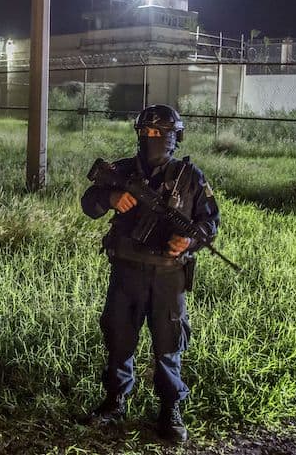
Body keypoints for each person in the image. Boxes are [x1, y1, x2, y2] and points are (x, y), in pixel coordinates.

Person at [80, 104, 220, 443]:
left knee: (169, 344)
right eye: (146, 133)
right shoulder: (123, 171)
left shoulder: (191, 178)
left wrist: (188, 240)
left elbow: (210, 223)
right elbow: (89, 203)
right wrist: (112, 197)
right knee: (119, 338)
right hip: (127, 272)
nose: (152, 139)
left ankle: (170, 409)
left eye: (160, 134)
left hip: (168, 276)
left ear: (176, 137)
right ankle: (115, 401)